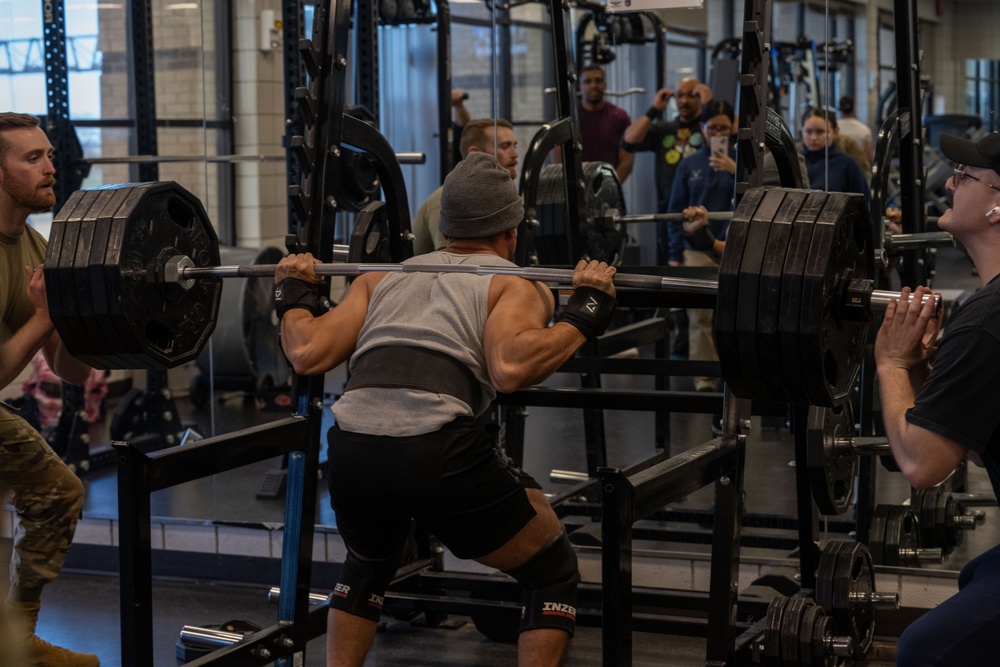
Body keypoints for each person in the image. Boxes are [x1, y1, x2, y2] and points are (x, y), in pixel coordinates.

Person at [274, 152, 617, 667]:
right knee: (552, 570)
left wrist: (294, 294)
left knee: (369, 563)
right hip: (438, 454)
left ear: (444, 228)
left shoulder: (377, 278)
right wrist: (583, 313)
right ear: (512, 231)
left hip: (352, 449)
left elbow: (306, 351)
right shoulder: (513, 282)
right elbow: (509, 367)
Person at [874, 130, 1000, 666]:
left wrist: (892, 363)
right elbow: (972, 441)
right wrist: (925, 372)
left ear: (998, 206)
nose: (949, 183)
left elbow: (923, 466)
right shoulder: (987, 310)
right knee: (978, 573)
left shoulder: (987, 319)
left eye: (965, 177)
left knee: (925, 651)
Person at [0, 112, 99, 666]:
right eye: (32, 158)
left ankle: (19, 641)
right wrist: (43, 316)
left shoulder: (36, 249)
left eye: (49, 156)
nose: (50, 168)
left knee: (57, 492)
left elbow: (72, 371)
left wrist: (86, 315)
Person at [666, 100, 736, 400]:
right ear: (702, 129)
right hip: (696, 248)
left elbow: (760, 198)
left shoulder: (744, 162)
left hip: (735, 246)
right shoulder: (689, 164)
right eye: (712, 127)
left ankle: (738, 377)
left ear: (733, 127)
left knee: (735, 315)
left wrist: (735, 171)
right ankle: (705, 378)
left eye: (723, 127)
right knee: (700, 318)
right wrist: (674, 253)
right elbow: (675, 210)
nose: (717, 132)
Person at [622, 77, 706, 266]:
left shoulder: (709, 129)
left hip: (702, 213)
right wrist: (654, 110)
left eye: (691, 95)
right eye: (680, 95)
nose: (684, 100)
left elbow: (734, 129)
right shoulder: (665, 130)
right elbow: (628, 140)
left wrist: (710, 102)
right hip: (668, 215)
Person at [411, 118, 519, 255]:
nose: (515, 155)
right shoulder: (450, 200)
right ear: (474, 152)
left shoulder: (492, 198)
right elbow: (454, 264)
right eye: (505, 146)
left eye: (514, 146)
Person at [575, 64, 633, 183]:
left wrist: (610, 187)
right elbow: (559, 159)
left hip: (609, 190)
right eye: (587, 81)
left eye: (598, 80)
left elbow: (627, 160)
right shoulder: (571, 118)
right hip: (577, 190)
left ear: (605, 84)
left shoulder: (620, 117)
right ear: (580, 86)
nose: (593, 85)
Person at [800, 107, 870, 203]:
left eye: (820, 132)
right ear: (802, 131)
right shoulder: (794, 162)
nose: (813, 137)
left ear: (835, 132)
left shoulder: (848, 165)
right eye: (808, 131)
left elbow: (863, 204)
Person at [837, 95, 873, 163]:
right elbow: (868, 157)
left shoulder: (832, 129)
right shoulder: (865, 130)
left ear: (840, 108)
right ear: (854, 108)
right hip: (859, 169)